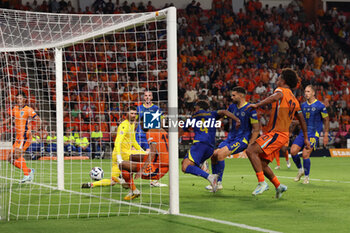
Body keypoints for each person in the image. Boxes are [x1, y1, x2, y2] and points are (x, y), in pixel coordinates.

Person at [245, 68, 310, 198]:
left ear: (283, 80)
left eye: (279, 77)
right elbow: (302, 120)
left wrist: (258, 105)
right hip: (281, 136)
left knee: (251, 151)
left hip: (276, 134)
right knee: (262, 163)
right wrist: (306, 138)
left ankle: (262, 183)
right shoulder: (295, 100)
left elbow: (276, 96)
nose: (277, 80)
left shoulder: (281, 91)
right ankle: (279, 186)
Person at [206, 87, 260, 191]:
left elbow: (256, 129)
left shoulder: (250, 109)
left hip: (241, 140)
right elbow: (224, 116)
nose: (231, 97)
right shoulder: (232, 107)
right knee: (213, 155)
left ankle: (218, 183)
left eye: (234, 95)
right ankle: (215, 182)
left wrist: (250, 144)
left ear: (241, 95)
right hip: (231, 137)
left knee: (220, 154)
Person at [181, 99, 241, 193]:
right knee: (187, 164)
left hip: (199, 144)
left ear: (198, 107)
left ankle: (210, 176)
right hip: (210, 148)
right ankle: (203, 167)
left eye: (195, 107)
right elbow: (225, 112)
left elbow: (183, 129)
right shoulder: (212, 114)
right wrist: (237, 120)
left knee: (185, 167)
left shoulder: (194, 116)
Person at [81, 106, 145, 190]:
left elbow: (133, 141)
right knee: (148, 158)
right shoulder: (124, 125)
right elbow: (117, 141)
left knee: (113, 180)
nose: (134, 115)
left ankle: (92, 184)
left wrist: (141, 150)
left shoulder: (132, 124)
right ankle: (151, 181)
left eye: (135, 114)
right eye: (131, 113)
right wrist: (119, 157)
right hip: (124, 154)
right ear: (127, 114)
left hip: (117, 155)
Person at [290, 85, 329, 184]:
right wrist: (295, 123)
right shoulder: (303, 106)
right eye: (305, 91)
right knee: (293, 151)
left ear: (313, 93)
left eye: (308, 91)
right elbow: (303, 121)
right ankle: (300, 170)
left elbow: (326, 120)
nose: (306, 93)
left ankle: (306, 177)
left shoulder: (320, 106)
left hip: (313, 134)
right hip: (303, 133)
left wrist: (325, 135)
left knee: (305, 154)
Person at [119, 124, 169, 200]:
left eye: (142, 122)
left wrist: (142, 169)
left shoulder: (150, 132)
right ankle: (128, 184)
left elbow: (152, 152)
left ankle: (134, 190)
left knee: (122, 165)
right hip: (160, 160)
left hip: (158, 167)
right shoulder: (161, 130)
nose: (140, 125)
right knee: (132, 157)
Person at [0, 92, 41, 183]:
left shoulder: (28, 109)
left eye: (20, 98)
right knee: (10, 159)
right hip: (18, 137)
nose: (19, 100)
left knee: (18, 155)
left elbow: (38, 119)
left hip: (25, 136)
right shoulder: (15, 108)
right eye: (17, 98)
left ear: (24, 100)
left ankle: (26, 175)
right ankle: (29, 171)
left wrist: (35, 131)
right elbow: (10, 119)